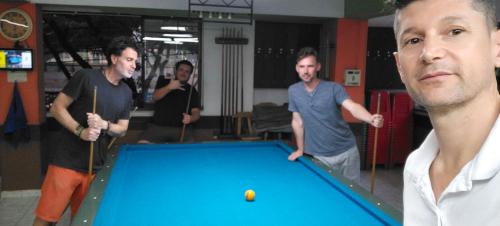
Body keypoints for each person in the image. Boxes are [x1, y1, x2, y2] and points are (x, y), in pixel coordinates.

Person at [392, 0, 500, 225]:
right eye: (413, 40)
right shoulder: (415, 170)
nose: (429, 53)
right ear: (400, 67)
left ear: (497, 47)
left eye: (455, 31)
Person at [33, 37, 138, 226]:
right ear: (114, 59)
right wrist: (81, 130)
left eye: (135, 62)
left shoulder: (126, 93)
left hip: (95, 166)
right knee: (47, 219)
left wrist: (104, 124)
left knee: (82, 220)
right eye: (129, 60)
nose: (134, 66)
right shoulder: (87, 77)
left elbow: (122, 129)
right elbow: (57, 108)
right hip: (66, 161)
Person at [287, 47, 383, 181]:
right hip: (319, 156)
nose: (306, 71)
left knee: (352, 193)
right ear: (297, 68)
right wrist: (300, 149)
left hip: (346, 152)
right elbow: (297, 121)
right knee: (323, 194)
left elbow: (352, 107)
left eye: (310, 66)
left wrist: (370, 118)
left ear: (318, 67)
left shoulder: (333, 88)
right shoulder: (293, 91)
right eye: (302, 66)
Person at [138, 60, 200, 143]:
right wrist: (169, 87)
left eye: (187, 71)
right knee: (142, 145)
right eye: (181, 70)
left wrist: (191, 118)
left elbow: (196, 112)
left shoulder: (192, 90)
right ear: (175, 71)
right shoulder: (164, 81)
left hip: (181, 129)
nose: (183, 73)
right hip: (157, 127)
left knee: (189, 149)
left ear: (189, 75)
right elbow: (155, 97)